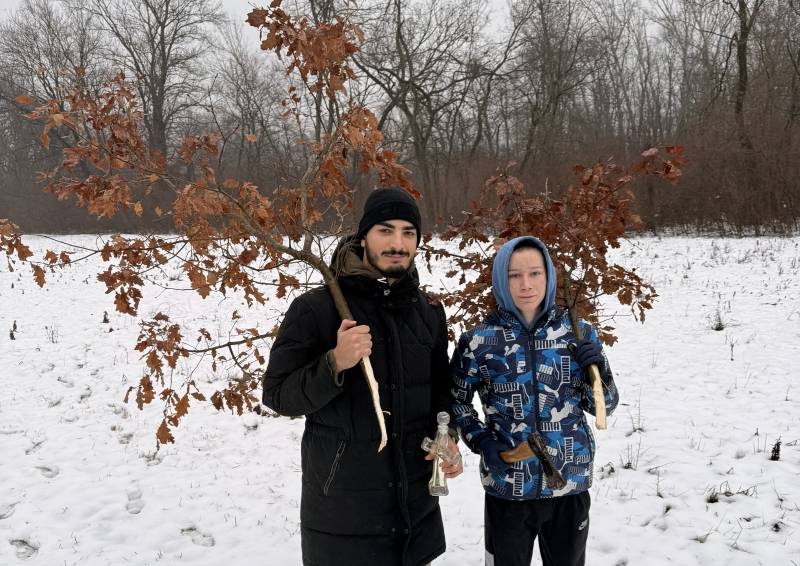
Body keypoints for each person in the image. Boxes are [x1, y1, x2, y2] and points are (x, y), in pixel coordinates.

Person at [263, 187, 463, 566]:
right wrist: (334, 363)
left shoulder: (428, 313)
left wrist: (446, 437)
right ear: (364, 236)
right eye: (385, 230)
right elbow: (277, 395)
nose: (397, 243)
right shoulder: (317, 309)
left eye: (408, 233)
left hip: (414, 517)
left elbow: (441, 392)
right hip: (343, 519)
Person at [450, 236, 619, 566]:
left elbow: (606, 406)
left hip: (569, 483)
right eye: (514, 275)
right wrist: (481, 441)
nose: (525, 285)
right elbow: (456, 403)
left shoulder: (578, 333)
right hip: (508, 484)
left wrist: (598, 370)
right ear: (501, 279)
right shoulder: (478, 341)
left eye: (535, 273)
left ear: (549, 276)